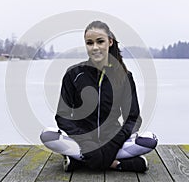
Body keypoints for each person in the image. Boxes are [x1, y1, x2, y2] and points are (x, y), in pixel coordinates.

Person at [40, 20, 157, 172]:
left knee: (149, 140)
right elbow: (63, 116)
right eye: (89, 43)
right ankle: (117, 163)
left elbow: (133, 118)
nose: (95, 47)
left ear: (109, 42)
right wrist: (86, 143)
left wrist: (113, 144)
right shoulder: (73, 74)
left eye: (100, 41)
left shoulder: (124, 76)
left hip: (113, 141)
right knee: (48, 135)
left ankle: (80, 162)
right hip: (81, 142)